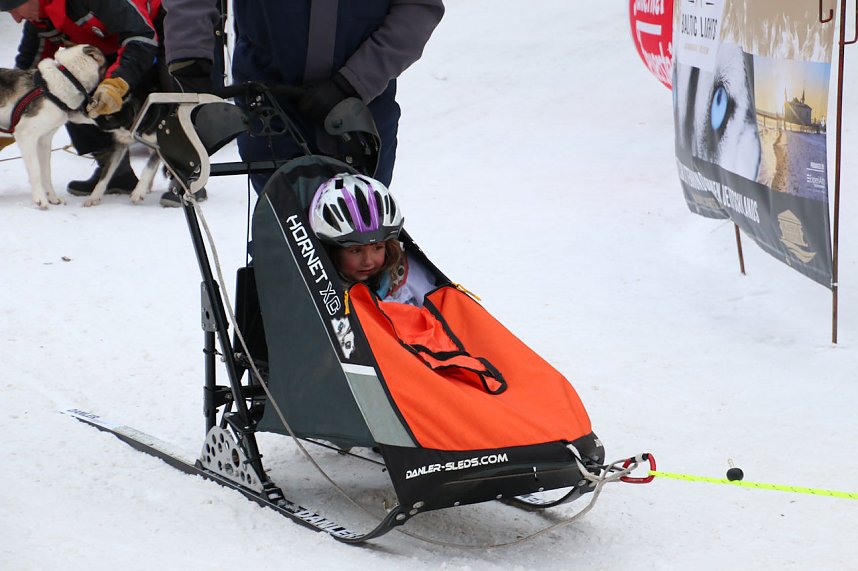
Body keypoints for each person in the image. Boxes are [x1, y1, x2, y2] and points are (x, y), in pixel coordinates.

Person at [158, 0, 444, 194]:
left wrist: (352, 83)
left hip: (362, 109)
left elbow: (418, 8)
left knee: (364, 235)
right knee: (284, 240)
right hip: (271, 103)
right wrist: (190, 58)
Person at [1, 0, 165, 198]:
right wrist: (10, 120)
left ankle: (185, 176)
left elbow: (141, 36)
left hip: (158, 35)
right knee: (63, 94)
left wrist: (116, 83)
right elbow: (29, 83)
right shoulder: (39, 21)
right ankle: (114, 170)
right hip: (108, 51)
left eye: (13, 10)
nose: (16, 19)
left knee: (169, 96)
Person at [309, 173, 435, 306]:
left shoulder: (407, 279)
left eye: (378, 247)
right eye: (355, 250)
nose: (368, 261)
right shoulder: (317, 292)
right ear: (332, 251)